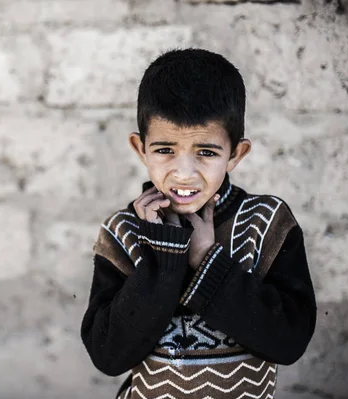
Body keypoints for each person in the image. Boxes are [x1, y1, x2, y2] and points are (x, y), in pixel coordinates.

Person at [80, 48, 317, 399]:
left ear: (236, 154)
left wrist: (208, 261)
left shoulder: (266, 225)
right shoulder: (124, 232)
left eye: (206, 152)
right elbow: (108, 355)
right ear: (140, 148)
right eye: (164, 150)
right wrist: (165, 256)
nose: (184, 173)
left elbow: (289, 341)